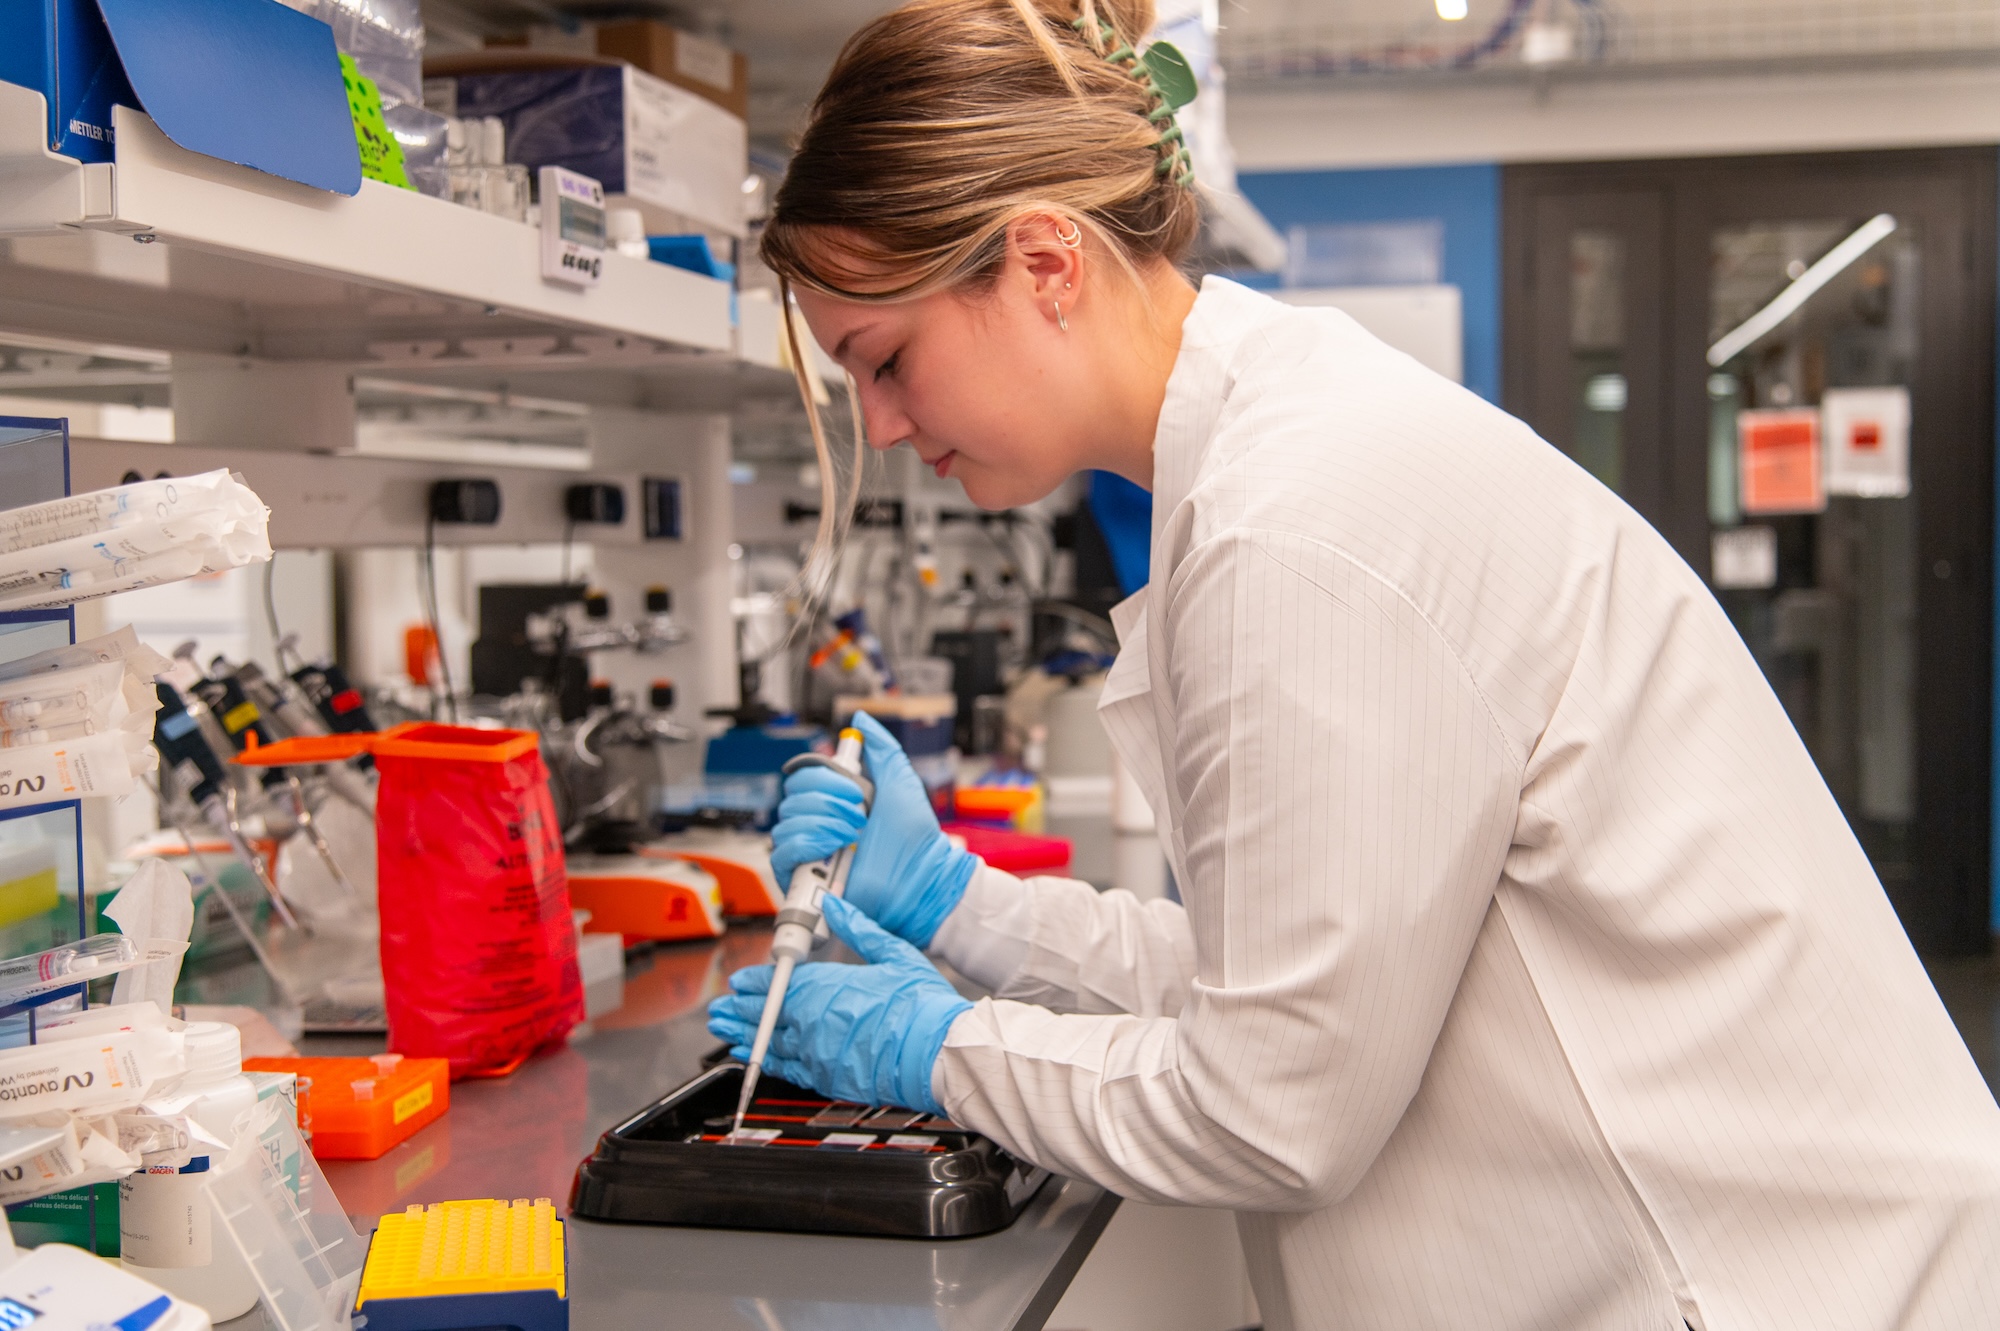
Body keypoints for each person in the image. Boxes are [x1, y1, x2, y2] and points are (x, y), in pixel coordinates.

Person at [707, 2, 2000, 1326]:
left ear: (1043, 265)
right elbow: (1280, 989)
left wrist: (943, 1051)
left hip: (1760, 1285)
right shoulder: (1270, 457)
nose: (877, 419)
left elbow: (1272, 1112)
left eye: (885, 357)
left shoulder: (1300, 525)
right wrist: (961, 908)